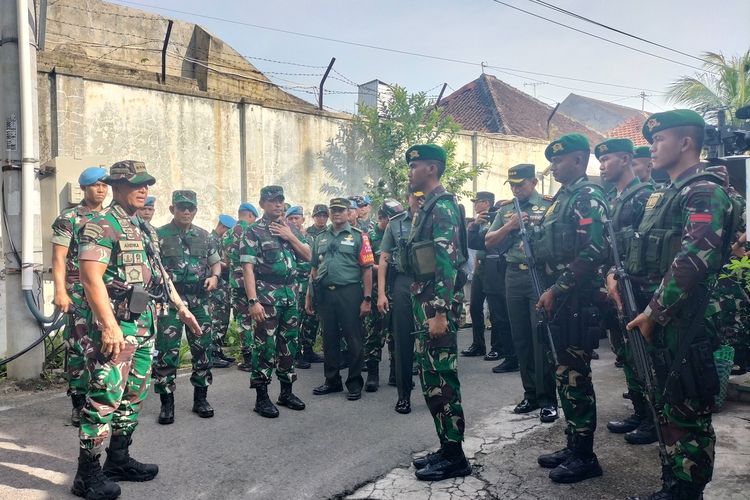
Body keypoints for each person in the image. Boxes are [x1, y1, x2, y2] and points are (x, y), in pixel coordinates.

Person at [625, 110, 735, 500]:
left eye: (659, 140)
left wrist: (653, 313)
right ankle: (673, 486)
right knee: (668, 403)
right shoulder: (671, 191)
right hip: (669, 316)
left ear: (685, 143)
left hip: (687, 319)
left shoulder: (703, 191)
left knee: (688, 409)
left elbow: (694, 259)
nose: (652, 148)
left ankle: (687, 492)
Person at [74, 160, 200, 500]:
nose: (144, 190)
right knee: (104, 398)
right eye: (136, 185)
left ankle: (119, 459)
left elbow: (159, 274)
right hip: (117, 325)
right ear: (117, 187)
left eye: (146, 185)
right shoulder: (102, 224)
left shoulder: (145, 228)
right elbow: (90, 278)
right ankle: (87, 474)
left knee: (133, 396)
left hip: (145, 324)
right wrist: (109, 326)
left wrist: (181, 307)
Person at [533, 134, 608, 484]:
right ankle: (574, 444)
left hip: (576, 299)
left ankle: (585, 456)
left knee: (575, 375)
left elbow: (594, 252)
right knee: (564, 373)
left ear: (579, 161)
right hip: (560, 298)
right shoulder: (561, 199)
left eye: (559, 160)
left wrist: (557, 288)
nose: (553, 166)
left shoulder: (587, 196)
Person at [404, 144, 471, 481]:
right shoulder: (426, 206)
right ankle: (447, 447)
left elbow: (446, 261)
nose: (410, 171)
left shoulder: (442, 206)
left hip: (436, 306)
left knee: (442, 379)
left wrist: (441, 311)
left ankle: (456, 456)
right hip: (426, 304)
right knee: (431, 378)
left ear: (431, 168)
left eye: (415, 165)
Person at [485, 164, 557, 423]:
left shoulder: (549, 206)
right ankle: (531, 395)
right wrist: (510, 226)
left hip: (538, 275)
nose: (516, 189)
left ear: (534, 182)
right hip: (513, 275)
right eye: (512, 185)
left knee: (541, 337)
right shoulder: (505, 210)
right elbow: (488, 240)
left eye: (521, 184)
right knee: (521, 338)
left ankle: (548, 398)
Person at [595, 138, 656, 445]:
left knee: (647, 355)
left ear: (625, 159)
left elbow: (647, 247)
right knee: (628, 354)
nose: (602, 165)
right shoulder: (614, 198)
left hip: (641, 290)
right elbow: (610, 247)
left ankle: (655, 418)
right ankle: (640, 410)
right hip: (619, 287)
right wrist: (608, 276)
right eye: (600, 160)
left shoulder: (645, 196)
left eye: (607, 160)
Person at [152, 190, 221, 424]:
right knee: (167, 352)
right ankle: (167, 403)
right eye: (181, 207)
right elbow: (153, 269)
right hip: (169, 301)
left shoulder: (205, 236)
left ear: (196, 210)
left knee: (202, 349)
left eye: (190, 208)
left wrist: (215, 277)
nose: (186, 211)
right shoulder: (158, 235)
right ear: (172, 209)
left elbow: (216, 263)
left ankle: (200, 399)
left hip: (199, 301)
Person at [241, 187, 310, 418]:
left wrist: (290, 236)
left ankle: (286, 392)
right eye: (272, 201)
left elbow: (310, 256)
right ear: (262, 204)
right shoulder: (253, 232)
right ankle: (262, 398)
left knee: (289, 345)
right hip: (266, 297)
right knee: (265, 347)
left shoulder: (290, 230)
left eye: (280, 201)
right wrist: (253, 301)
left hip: (291, 295)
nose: (278, 205)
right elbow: (248, 268)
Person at [51, 166, 108, 426]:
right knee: (77, 348)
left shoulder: (110, 218)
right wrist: (60, 290)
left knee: (104, 343)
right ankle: (78, 401)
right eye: (96, 185)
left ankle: (103, 398)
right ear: (84, 188)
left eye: (104, 185)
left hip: (106, 291)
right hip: (77, 292)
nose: (101, 189)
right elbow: (59, 257)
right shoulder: (70, 218)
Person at [306, 197, 374, 401]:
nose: (336, 214)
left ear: (348, 212)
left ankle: (354, 383)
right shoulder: (320, 238)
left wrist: (367, 298)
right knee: (329, 339)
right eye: (333, 210)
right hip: (326, 294)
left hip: (350, 293)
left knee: (353, 339)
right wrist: (309, 296)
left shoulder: (359, 237)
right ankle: (332, 381)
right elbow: (314, 269)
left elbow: (367, 269)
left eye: (340, 210)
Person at [378, 195, 415, 413]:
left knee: (433, 339)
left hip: (430, 283)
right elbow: (384, 258)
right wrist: (381, 293)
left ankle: (437, 392)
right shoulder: (396, 222)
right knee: (402, 340)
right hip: (403, 282)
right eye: (414, 195)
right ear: (409, 198)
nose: (419, 199)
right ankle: (404, 395)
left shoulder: (437, 217)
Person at [462, 191, 497, 359]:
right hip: (480, 267)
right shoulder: (478, 222)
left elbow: (485, 243)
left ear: (486, 203)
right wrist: (474, 225)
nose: (475, 205)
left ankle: (498, 347)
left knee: (495, 310)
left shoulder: (496, 218)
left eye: (477, 202)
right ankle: (478, 344)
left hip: (494, 266)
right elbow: (473, 243)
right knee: (475, 307)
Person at [224, 202, 259, 371]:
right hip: (252, 281)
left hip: (235, 282)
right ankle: (261, 355)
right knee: (258, 317)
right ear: (251, 215)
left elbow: (227, 260)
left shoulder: (227, 234)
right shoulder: (253, 231)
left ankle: (247, 358)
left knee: (243, 320)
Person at [362, 201, 391, 392]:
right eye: (389, 219)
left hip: (394, 288)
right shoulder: (369, 237)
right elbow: (365, 261)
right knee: (374, 331)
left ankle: (397, 373)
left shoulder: (397, 233)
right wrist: (380, 268)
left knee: (396, 331)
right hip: (374, 289)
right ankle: (372, 374)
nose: (392, 222)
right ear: (380, 218)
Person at [208, 214, 237, 368]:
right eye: (229, 230)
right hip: (216, 289)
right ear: (223, 227)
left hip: (223, 288)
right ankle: (212, 353)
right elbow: (215, 262)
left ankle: (218, 351)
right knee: (217, 320)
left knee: (223, 320)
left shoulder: (219, 240)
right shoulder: (211, 240)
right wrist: (229, 264)